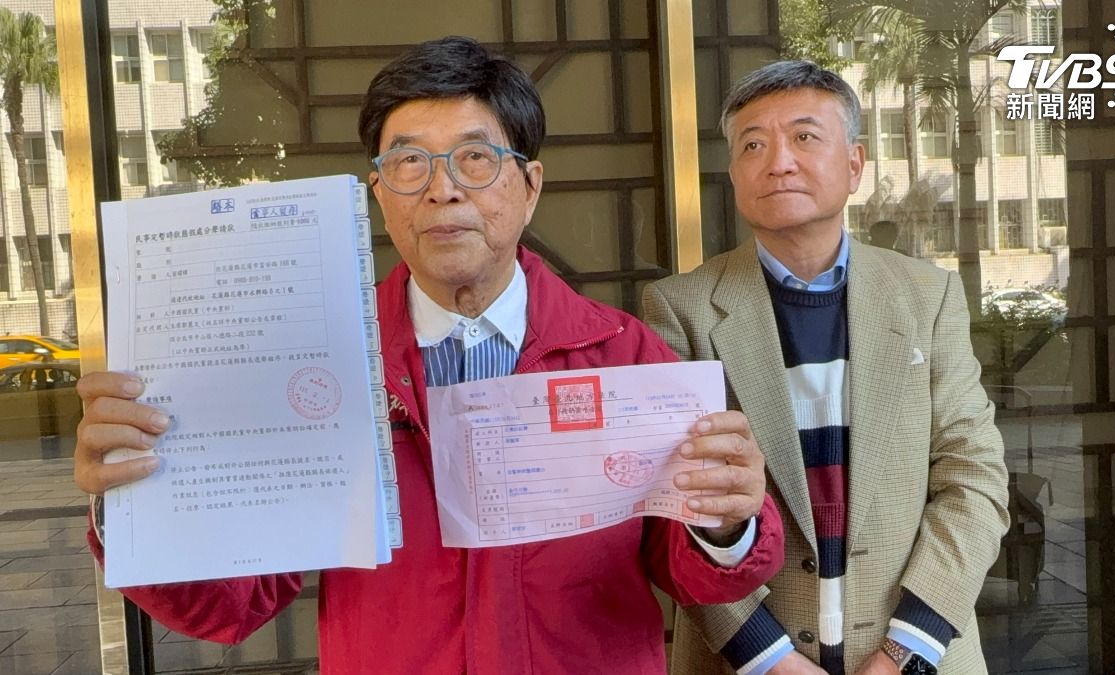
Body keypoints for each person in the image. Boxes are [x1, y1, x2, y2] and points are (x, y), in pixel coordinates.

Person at [73, 37, 785, 675]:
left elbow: (698, 576)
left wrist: (727, 522)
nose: (442, 189)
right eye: (409, 161)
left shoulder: (626, 357)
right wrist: (132, 500)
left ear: (529, 186)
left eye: (476, 158)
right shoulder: (316, 369)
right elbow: (230, 603)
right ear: (380, 193)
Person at [643, 60, 1009, 675]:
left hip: (919, 654)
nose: (778, 162)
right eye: (753, 145)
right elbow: (673, 512)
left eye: (805, 137)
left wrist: (902, 653)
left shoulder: (928, 297)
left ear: (855, 165)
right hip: (745, 660)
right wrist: (770, 660)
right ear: (734, 174)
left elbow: (973, 475)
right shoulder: (680, 309)